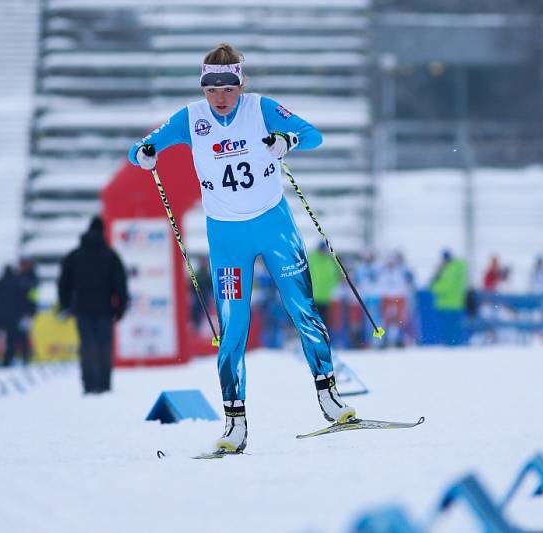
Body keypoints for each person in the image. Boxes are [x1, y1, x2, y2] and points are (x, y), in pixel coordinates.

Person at [127, 43, 355, 454]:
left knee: (302, 310)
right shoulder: (191, 119)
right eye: (211, 88)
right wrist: (144, 155)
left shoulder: (260, 107)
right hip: (227, 236)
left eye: (227, 88)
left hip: (273, 225)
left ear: (240, 83)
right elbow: (139, 150)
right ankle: (234, 423)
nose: (219, 97)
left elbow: (313, 135)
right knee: (233, 328)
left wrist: (286, 141)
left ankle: (330, 398)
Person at [58, 216, 128, 394]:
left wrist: (66, 305)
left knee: (87, 345)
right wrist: (120, 309)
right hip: (105, 310)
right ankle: (104, 384)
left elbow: (63, 283)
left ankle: (89, 384)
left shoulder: (74, 256)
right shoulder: (111, 256)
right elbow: (120, 284)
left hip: (82, 309)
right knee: (104, 346)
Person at [430, 249, 468, 345]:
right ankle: (454, 344)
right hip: (453, 303)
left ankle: (453, 345)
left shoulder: (451, 269)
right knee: (452, 328)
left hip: (449, 304)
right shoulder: (455, 268)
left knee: (450, 329)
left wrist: (434, 287)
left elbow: (447, 286)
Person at [307, 241, 340, 329]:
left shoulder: (329, 260)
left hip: (326, 298)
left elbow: (335, 277)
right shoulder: (311, 259)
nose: (323, 252)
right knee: (313, 322)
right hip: (313, 296)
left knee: (324, 322)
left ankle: (324, 340)